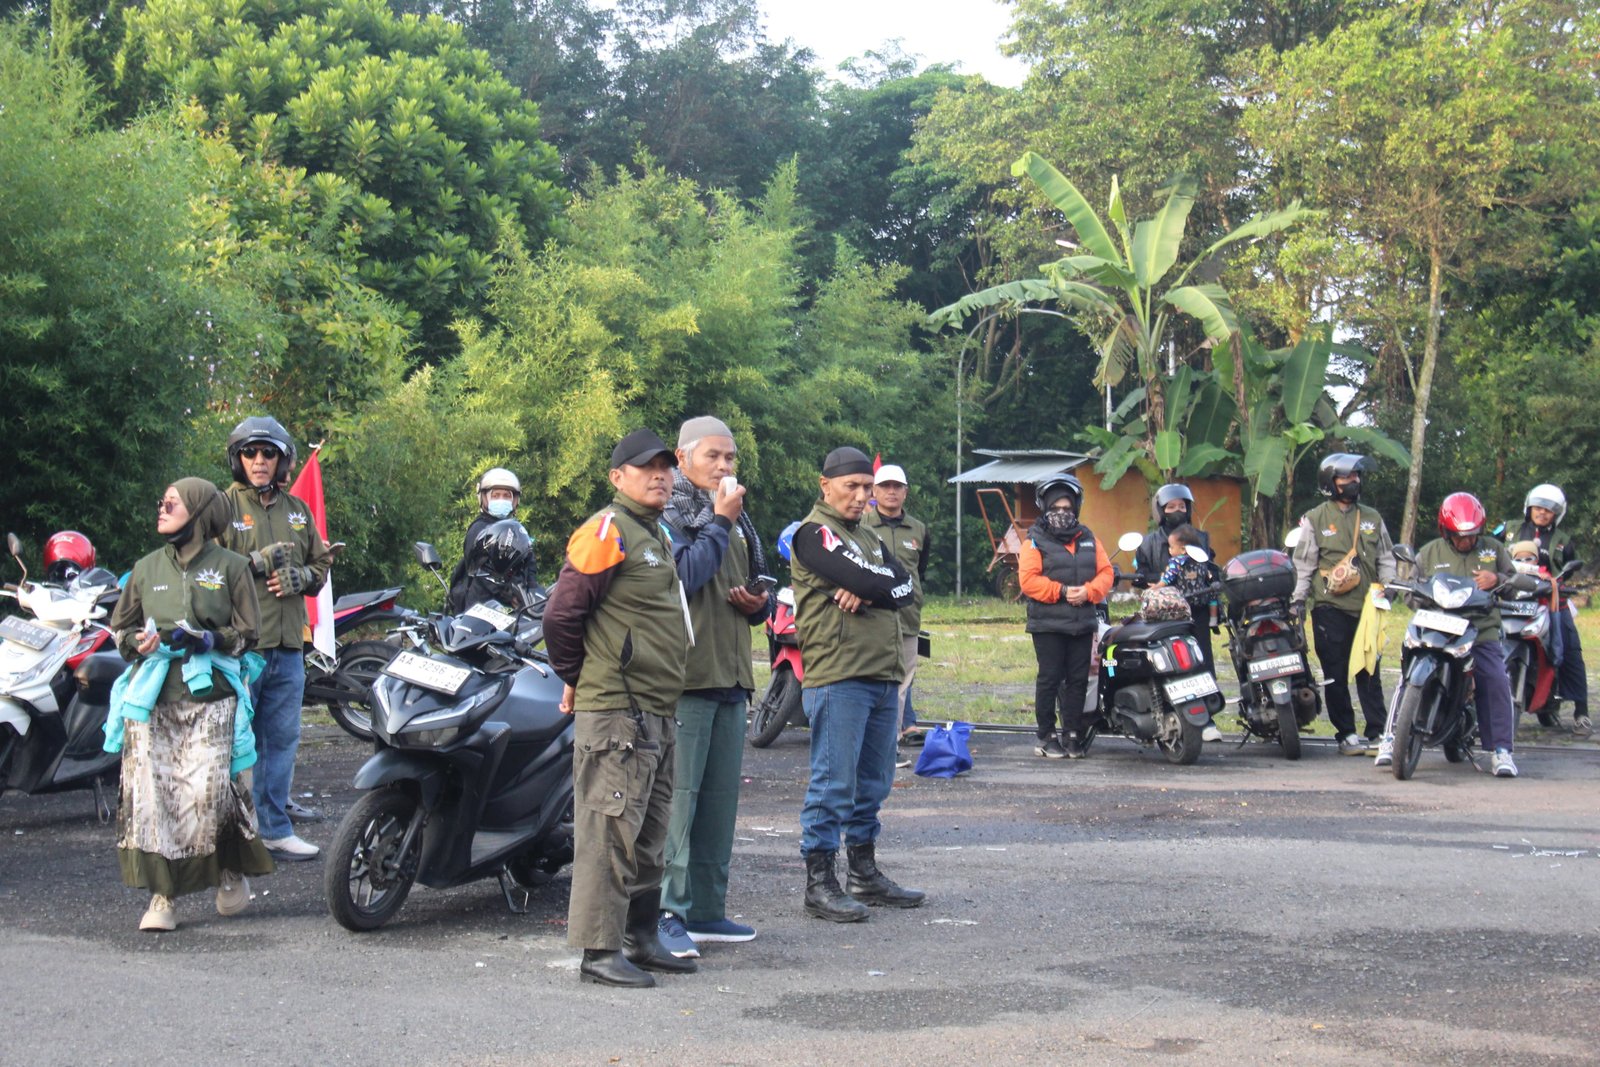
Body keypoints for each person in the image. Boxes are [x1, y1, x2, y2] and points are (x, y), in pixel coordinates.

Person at [542, 429, 694, 989]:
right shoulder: (607, 530)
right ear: (617, 477)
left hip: (655, 706)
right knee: (608, 830)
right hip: (617, 711)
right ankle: (599, 951)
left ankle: (641, 938)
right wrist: (578, 677)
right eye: (646, 467)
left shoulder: (656, 533)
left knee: (650, 830)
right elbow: (561, 615)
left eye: (665, 468)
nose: (660, 476)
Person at [104, 478, 273, 931]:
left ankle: (229, 870)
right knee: (156, 798)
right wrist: (135, 643)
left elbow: (249, 635)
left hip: (212, 697)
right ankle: (163, 897)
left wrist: (209, 640)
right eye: (161, 502)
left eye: (172, 503)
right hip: (154, 700)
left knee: (208, 796)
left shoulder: (232, 567)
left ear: (198, 513)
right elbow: (119, 631)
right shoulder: (145, 568)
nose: (161, 509)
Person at [654, 416, 773, 960]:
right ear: (682, 459)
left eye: (730, 457)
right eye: (712, 456)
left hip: (731, 675)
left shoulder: (735, 517)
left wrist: (759, 603)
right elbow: (683, 577)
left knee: (719, 803)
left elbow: (745, 585)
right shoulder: (668, 515)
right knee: (678, 803)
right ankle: (665, 912)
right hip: (687, 677)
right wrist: (720, 520)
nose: (724, 467)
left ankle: (705, 909)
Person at [790, 446, 923, 923]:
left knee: (874, 782)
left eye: (868, 487)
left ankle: (863, 873)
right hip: (839, 673)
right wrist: (874, 583)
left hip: (883, 673)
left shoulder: (868, 536)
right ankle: (819, 883)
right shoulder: (814, 534)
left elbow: (907, 588)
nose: (862, 496)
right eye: (852, 486)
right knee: (834, 783)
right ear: (825, 485)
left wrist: (872, 585)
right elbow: (882, 584)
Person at [217, 417, 333, 858]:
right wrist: (254, 562)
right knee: (231, 743)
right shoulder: (221, 508)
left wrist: (303, 576)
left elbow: (320, 565)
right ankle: (225, 834)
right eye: (250, 452)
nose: (259, 460)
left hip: (287, 647)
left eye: (269, 453)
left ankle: (274, 830)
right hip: (242, 650)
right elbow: (204, 572)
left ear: (283, 460)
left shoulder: (298, 511)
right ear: (238, 459)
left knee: (281, 740)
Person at [1405, 492, 1531, 777]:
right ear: (1446, 532)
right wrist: (1420, 594)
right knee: (1407, 670)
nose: (1467, 541)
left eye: (1472, 535)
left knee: (1495, 679)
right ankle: (1392, 737)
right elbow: (1411, 594)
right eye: (1460, 536)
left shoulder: (1494, 550)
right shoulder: (1429, 553)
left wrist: (1498, 579)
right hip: (1437, 628)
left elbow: (1513, 586)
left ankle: (1501, 751)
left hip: (1480, 630)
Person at [1289, 453, 1397, 756]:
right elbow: (1304, 564)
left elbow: (1386, 558)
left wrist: (1389, 587)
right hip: (1329, 609)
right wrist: (1297, 601)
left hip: (1368, 609)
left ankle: (1377, 733)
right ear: (1330, 482)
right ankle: (1346, 734)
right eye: (1347, 477)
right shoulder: (1315, 518)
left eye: (1356, 476)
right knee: (1335, 674)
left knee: (1370, 672)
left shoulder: (1373, 518)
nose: (1354, 482)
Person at [1018, 475, 1114, 759]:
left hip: (1082, 622)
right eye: (1055, 508)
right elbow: (1028, 580)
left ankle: (1073, 733)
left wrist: (1089, 592)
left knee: (1078, 680)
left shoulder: (1088, 538)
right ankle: (1046, 735)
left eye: (1067, 508)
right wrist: (1061, 591)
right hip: (1047, 624)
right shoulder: (1034, 540)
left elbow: (1106, 572)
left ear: (1076, 508)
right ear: (1045, 508)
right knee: (1049, 679)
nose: (1062, 513)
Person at [1507, 484, 1588, 736]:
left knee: (1570, 648)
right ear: (1529, 507)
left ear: (1557, 514)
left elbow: (1569, 569)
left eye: (1549, 510)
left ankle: (1581, 713)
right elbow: (1488, 554)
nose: (1542, 513)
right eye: (1538, 507)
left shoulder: (1563, 541)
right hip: (1509, 597)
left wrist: (1557, 585)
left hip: (1550, 600)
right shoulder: (1509, 530)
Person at [863, 463, 931, 746]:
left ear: (905, 492)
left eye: (897, 486)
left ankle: (889, 747)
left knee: (901, 685)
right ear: (874, 491)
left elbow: (920, 570)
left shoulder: (919, 529)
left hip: (907, 617)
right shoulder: (861, 525)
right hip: (870, 618)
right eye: (885, 486)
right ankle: (870, 746)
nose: (891, 491)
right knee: (869, 681)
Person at [1135, 483, 1218, 680]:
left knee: (1203, 658)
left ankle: (1208, 694)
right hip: (1165, 610)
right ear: (1161, 510)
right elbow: (1140, 574)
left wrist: (1212, 579)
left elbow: (1212, 568)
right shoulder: (1148, 543)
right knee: (1167, 661)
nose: (1177, 511)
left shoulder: (1201, 538)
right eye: (1171, 507)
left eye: (1181, 506)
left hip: (1197, 607)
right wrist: (1157, 581)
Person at [447, 468, 540, 613]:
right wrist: (511, 595)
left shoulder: (517, 531)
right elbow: (484, 573)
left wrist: (535, 595)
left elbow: (529, 565)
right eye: (495, 495)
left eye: (506, 496)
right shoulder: (478, 529)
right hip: (482, 608)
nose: (501, 500)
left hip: (518, 609)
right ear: (484, 498)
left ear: (515, 500)